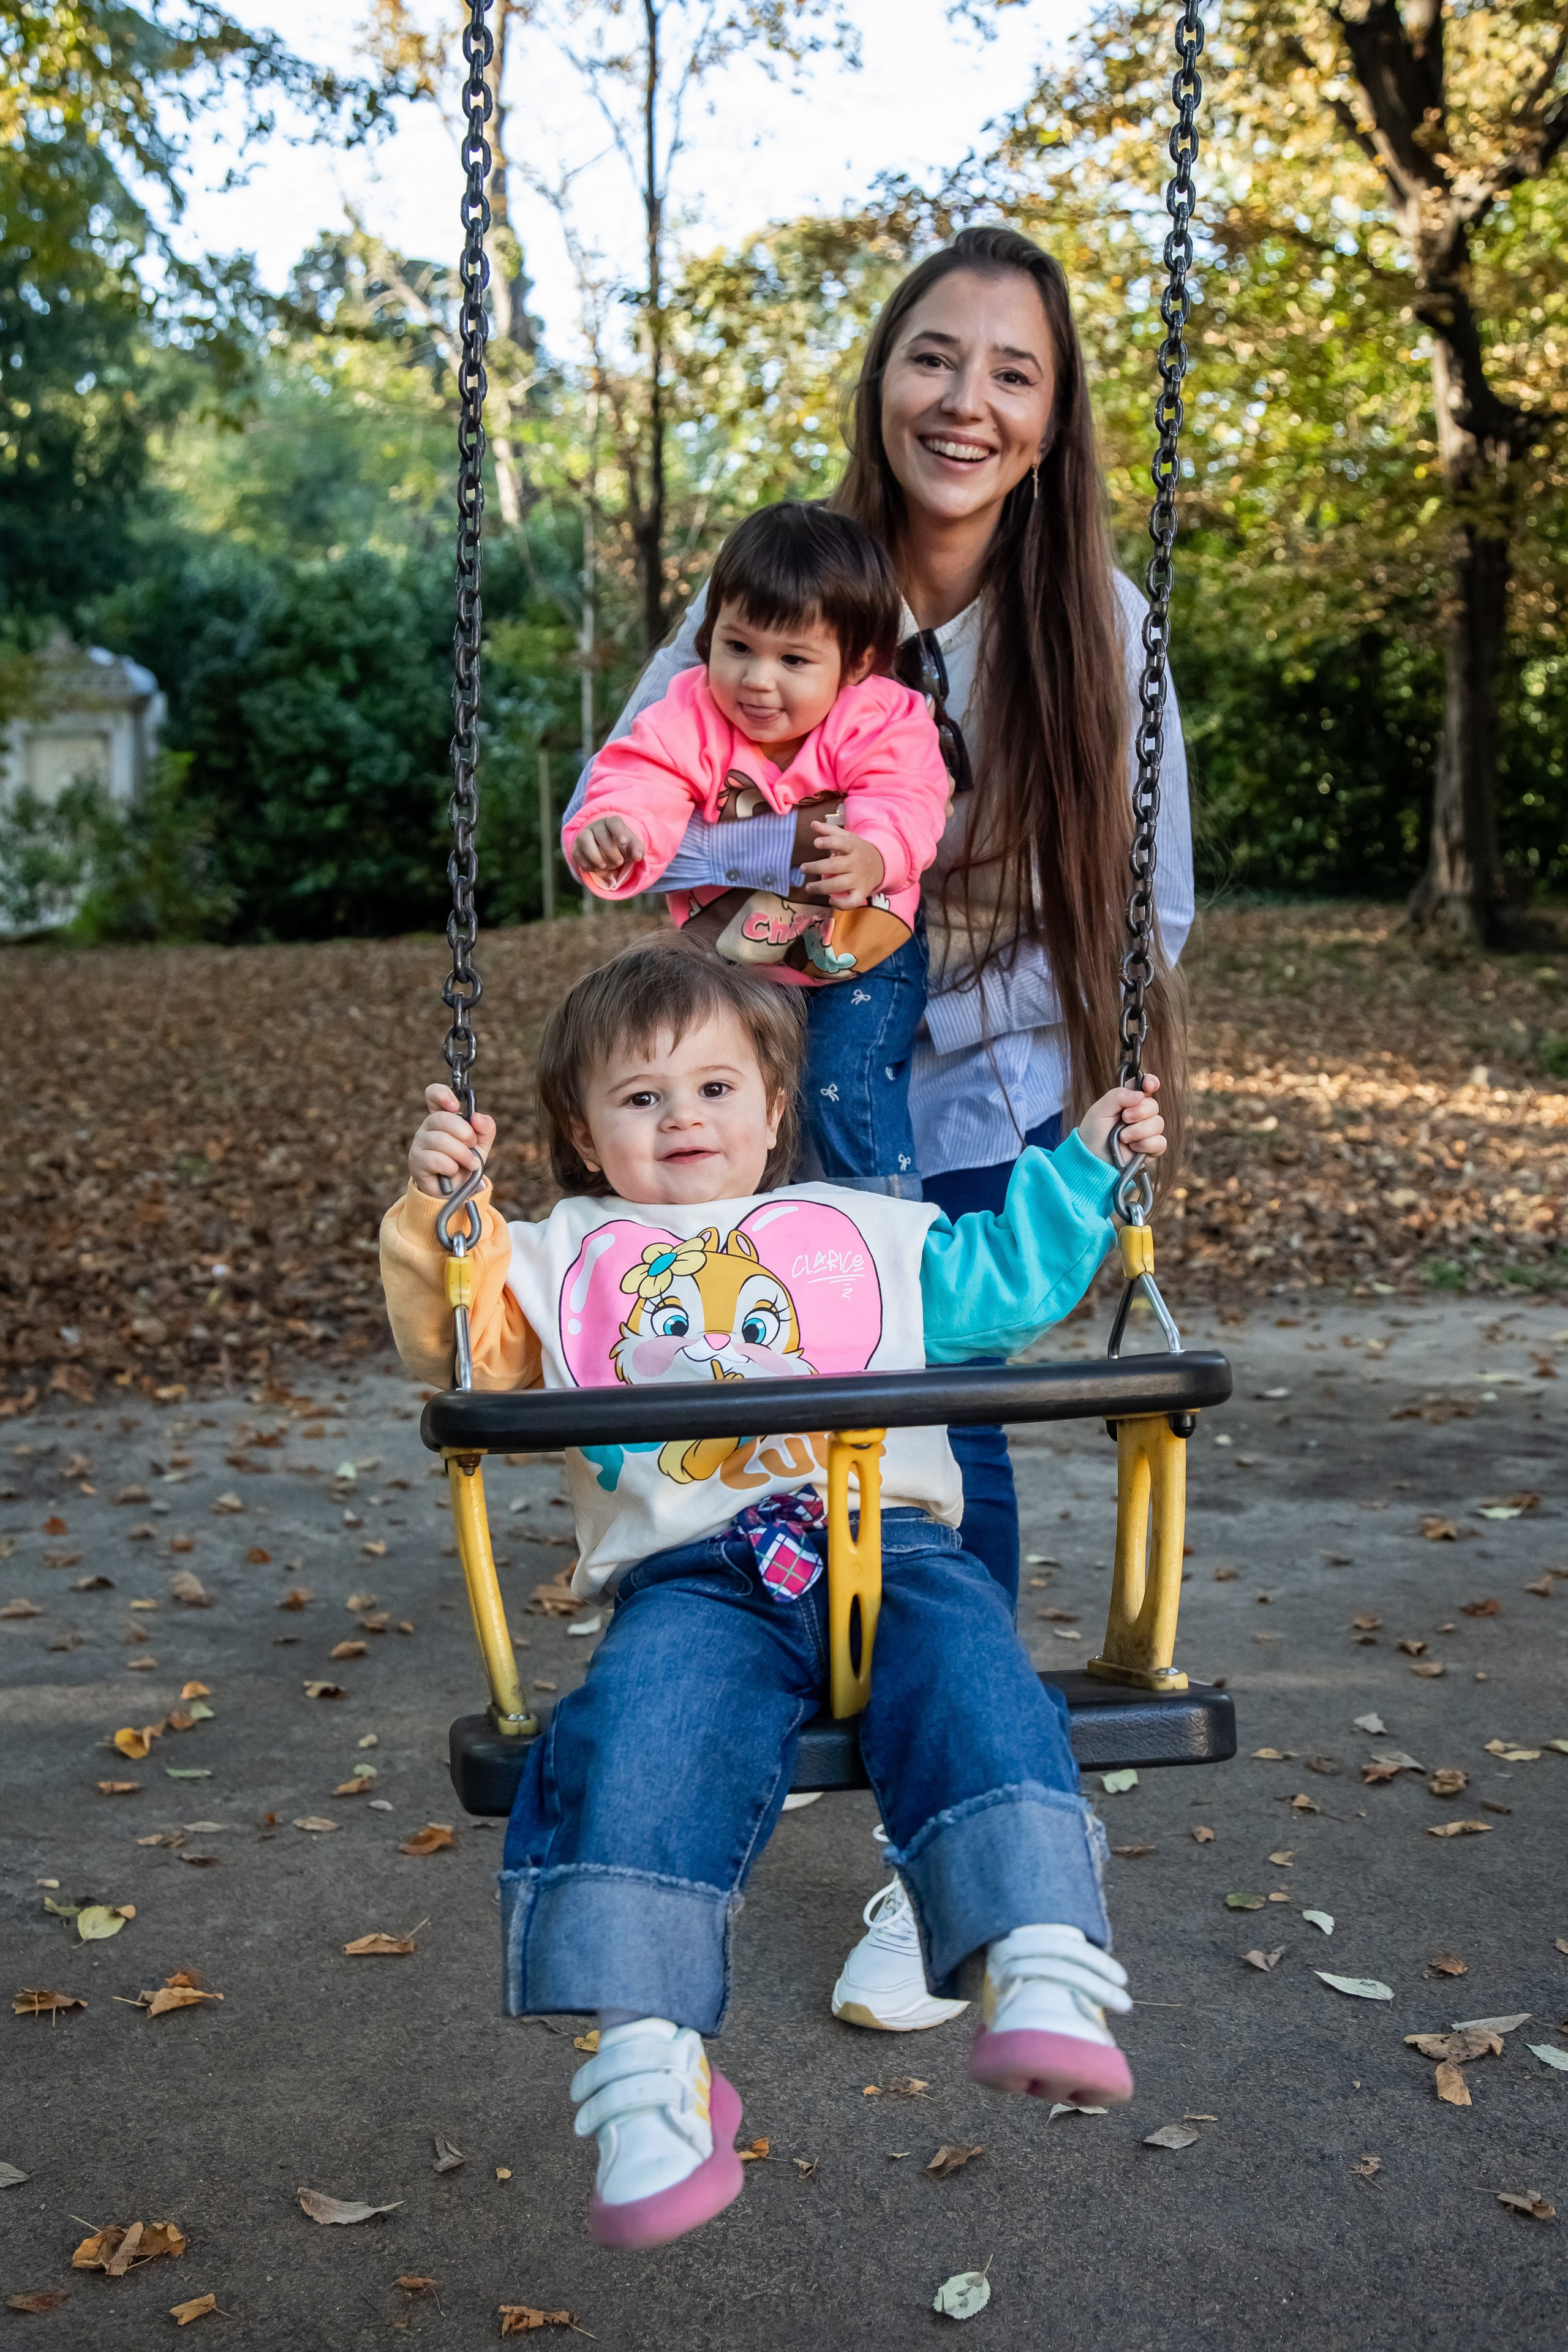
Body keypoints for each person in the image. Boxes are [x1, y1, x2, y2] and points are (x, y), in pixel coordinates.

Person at [566, 223, 1194, 2032]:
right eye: (936, 356)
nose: (967, 399)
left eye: (1011, 370)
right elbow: (643, 826)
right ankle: (832, 1742)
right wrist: (810, 875)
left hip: (989, 1087)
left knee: (946, 1414)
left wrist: (987, 973)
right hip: (789, 1084)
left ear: (1052, 411)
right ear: (883, 376)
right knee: (786, 1430)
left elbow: (1145, 909)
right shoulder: (785, 590)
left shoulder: (1097, 623)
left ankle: (947, 1865)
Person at [380, 940, 1167, 2253]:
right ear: (581, 1130)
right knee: (637, 1737)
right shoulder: (562, 1254)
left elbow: (1005, 1289)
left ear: (771, 1108)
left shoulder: (865, 1227)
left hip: (893, 1544)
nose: (681, 1117)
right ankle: (650, 2071)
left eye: (713, 1088)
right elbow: (463, 1346)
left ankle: (1037, 1960)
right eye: (639, 1098)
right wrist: (441, 1213)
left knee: (977, 1677)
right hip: (693, 1578)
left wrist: (1086, 1163)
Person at [565, 502, 950, 1199]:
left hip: (858, 944)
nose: (757, 680)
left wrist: (875, 852)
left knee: (843, 1077)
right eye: (737, 648)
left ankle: (881, 1225)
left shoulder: (880, 717)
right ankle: (740, 1228)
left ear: (856, 663)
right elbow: (640, 776)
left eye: (794, 660)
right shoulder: (689, 714)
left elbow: (908, 794)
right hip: (731, 951)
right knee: (713, 1089)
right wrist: (616, 829)